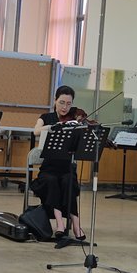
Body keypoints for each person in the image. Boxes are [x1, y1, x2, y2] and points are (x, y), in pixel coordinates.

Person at [30, 85, 84, 240]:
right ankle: (60, 223)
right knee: (52, 181)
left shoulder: (74, 120)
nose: (65, 107)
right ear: (55, 100)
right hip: (49, 169)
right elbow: (36, 131)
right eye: (61, 102)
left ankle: (76, 224)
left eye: (69, 103)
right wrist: (53, 127)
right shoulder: (46, 117)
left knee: (69, 181)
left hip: (67, 168)